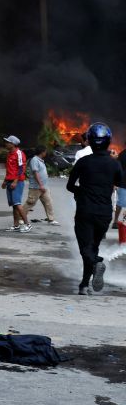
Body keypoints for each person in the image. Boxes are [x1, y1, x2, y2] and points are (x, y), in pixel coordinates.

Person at [65, 122, 123, 295]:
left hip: (85, 211)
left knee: (86, 249)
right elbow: (119, 183)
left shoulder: (83, 162)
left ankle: (97, 262)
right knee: (93, 247)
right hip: (104, 214)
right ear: (108, 141)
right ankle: (84, 284)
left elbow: (70, 186)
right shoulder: (114, 164)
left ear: (89, 140)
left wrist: (81, 191)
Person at [24, 146, 59, 225]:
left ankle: (51, 219)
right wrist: (40, 185)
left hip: (44, 187)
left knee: (48, 202)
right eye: (45, 151)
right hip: (36, 187)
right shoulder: (34, 160)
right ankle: (20, 218)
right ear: (42, 152)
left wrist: (43, 185)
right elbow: (35, 173)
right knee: (30, 203)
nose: (46, 153)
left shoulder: (40, 160)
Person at [3, 135, 29, 232]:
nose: (6, 144)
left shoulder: (19, 153)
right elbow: (9, 169)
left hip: (17, 182)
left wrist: (15, 181)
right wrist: (5, 181)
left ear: (13, 144)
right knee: (14, 205)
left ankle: (27, 224)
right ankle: (16, 225)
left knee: (17, 204)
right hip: (9, 181)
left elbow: (21, 168)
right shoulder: (9, 154)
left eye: (8, 142)